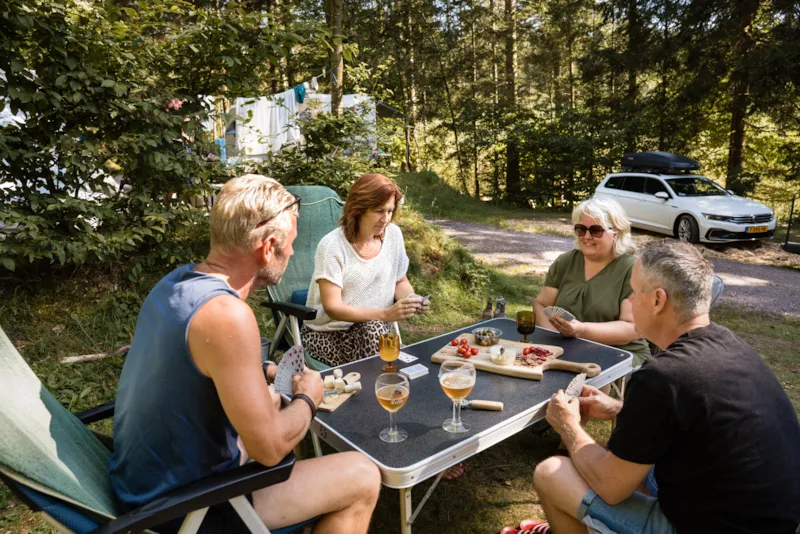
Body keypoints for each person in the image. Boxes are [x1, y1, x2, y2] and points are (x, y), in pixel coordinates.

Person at [109, 174, 381, 534]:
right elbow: (269, 450)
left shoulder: (175, 283)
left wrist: (264, 372)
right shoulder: (228, 315)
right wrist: (308, 398)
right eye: (292, 244)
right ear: (268, 247)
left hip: (142, 479)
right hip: (183, 506)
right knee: (362, 476)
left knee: (271, 406)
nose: (294, 253)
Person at [532, 240, 800, 533]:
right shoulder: (732, 346)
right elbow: (699, 418)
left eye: (634, 292)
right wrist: (621, 409)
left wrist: (569, 427)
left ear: (658, 300)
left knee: (551, 474)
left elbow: (611, 487)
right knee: (631, 456)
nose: (631, 301)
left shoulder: (662, 376)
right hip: (773, 521)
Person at [301, 173, 429, 367]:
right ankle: (385, 388)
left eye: (390, 211)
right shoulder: (332, 246)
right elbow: (333, 308)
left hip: (377, 329)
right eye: (379, 211)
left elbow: (399, 281)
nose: (385, 219)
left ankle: (386, 387)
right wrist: (384, 314)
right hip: (329, 334)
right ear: (358, 209)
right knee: (377, 336)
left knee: (376, 332)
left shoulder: (393, 235)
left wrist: (412, 300)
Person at [534, 197, 650, 366]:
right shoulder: (565, 262)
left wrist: (581, 330)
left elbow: (632, 328)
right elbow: (541, 305)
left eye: (596, 230)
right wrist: (556, 346)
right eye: (581, 229)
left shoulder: (631, 269)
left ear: (616, 232)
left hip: (620, 356)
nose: (587, 236)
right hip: (570, 350)